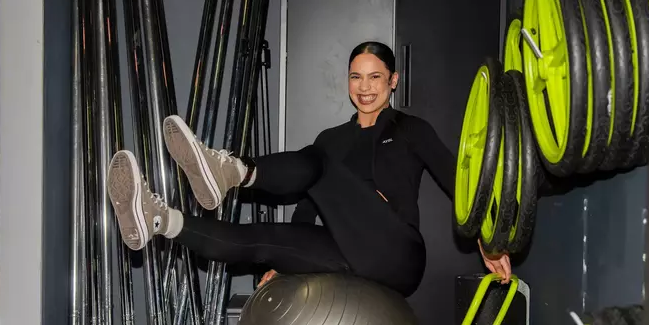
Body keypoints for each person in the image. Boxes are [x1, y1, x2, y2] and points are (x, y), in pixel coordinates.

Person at [106, 41, 512, 298]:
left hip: (397, 254)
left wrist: (489, 243)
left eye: (375, 77)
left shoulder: (411, 129)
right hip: (346, 252)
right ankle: (160, 220)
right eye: (356, 76)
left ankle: (232, 171)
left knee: (318, 162)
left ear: (393, 81)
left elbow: (458, 182)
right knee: (264, 238)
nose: (365, 86)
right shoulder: (331, 138)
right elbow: (307, 210)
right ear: (347, 82)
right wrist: (284, 260)